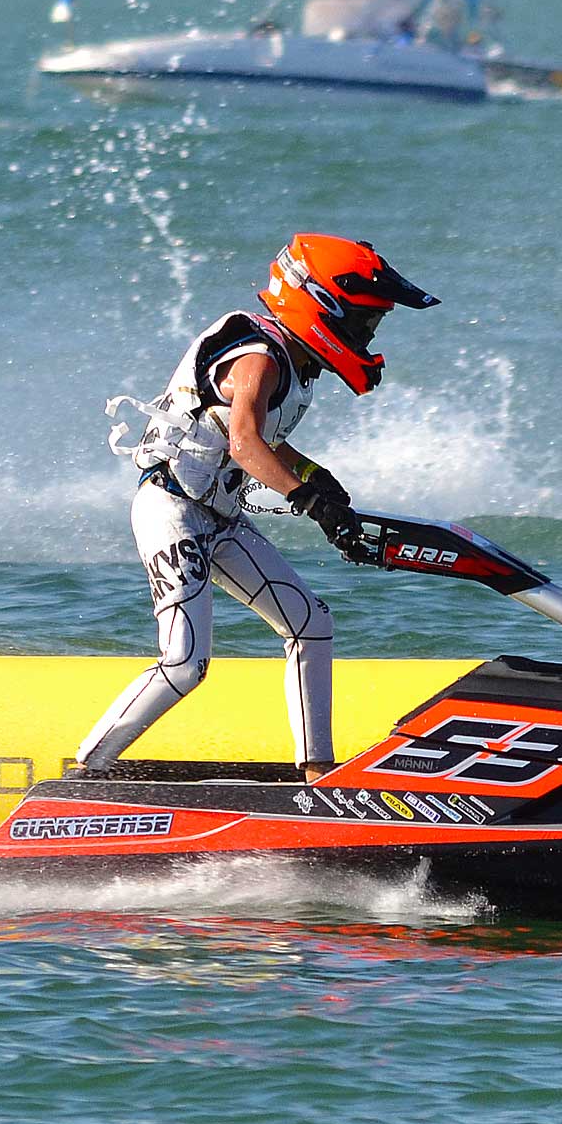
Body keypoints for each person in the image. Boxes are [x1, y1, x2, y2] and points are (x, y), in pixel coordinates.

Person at [84, 234, 438, 782]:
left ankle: (318, 776)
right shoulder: (259, 357)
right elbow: (244, 443)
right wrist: (308, 501)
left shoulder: (291, 361)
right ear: (323, 307)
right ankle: (87, 772)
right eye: (365, 321)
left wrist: (316, 478)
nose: (369, 335)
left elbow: (265, 442)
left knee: (310, 624)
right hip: (171, 512)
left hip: (218, 521)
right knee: (185, 663)